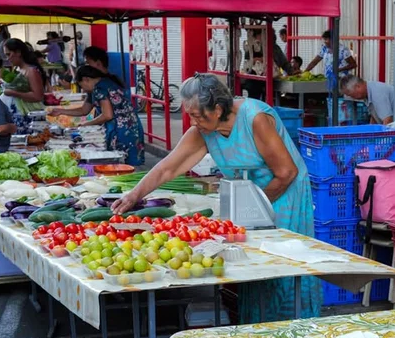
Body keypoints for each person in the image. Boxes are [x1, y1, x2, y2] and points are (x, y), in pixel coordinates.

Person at [110, 74, 321, 323]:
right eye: (190, 115)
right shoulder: (204, 130)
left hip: (284, 194)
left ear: (218, 108)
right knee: (251, 267)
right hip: (248, 197)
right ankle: (257, 330)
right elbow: (167, 168)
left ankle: (295, 327)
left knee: (281, 267)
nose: (193, 121)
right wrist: (134, 195)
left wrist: (253, 207)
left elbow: (287, 173)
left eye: (198, 115)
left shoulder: (254, 118)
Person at [67, 66, 144, 166]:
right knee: (131, 165)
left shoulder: (99, 88)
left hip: (120, 131)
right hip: (133, 126)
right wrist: (60, 111)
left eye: (82, 86)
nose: (83, 90)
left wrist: (86, 124)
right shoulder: (108, 82)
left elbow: (107, 115)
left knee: (120, 165)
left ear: (87, 79)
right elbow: (84, 110)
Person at [2, 39, 47, 116]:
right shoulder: (17, 69)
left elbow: (38, 96)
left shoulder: (31, 71)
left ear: (18, 52)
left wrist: (13, 93)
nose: (8, 59)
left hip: (31, 114)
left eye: (8, 54)